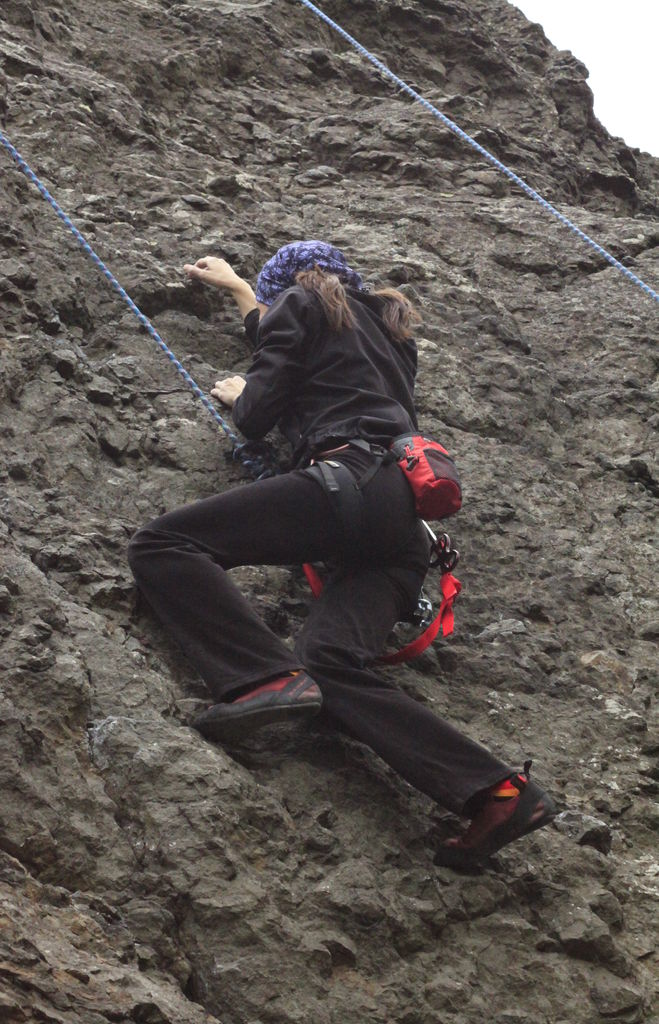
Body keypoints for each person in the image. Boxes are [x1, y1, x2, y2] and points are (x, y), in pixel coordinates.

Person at [128, 240, 555, 868]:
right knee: (327, 661)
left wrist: (242, 390)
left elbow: (257, 413)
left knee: (163, 544)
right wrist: (247, 295)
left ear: (288, 291)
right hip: (400, 522)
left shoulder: (300, 305)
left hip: (343, 485)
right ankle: (496, 791)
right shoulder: (392, 333)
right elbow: (314, 348)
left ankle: (260, 677)